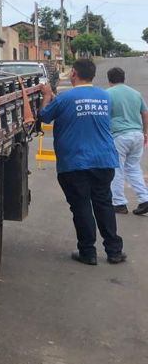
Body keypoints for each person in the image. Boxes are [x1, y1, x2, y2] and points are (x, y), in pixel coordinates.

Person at [38, 58, 125, 265]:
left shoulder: (65, 98)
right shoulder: (105, 97)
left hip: (75, 163)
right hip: (104, 160)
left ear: (74, 74)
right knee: (104, 204)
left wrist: (48, 95)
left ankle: (88, 252)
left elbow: (44, 116)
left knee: (81, 207)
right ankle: (114, 251)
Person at [105, 66, 148, 215]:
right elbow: (145, 113)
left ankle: (119, 203)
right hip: (137, 135)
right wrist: (145, 133)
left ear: (109, 80)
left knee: (117, 169)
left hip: (119, 136)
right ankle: (144, 199)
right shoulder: (135, 93)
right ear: (124, 78)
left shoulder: (107, 94)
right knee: (133, 168)